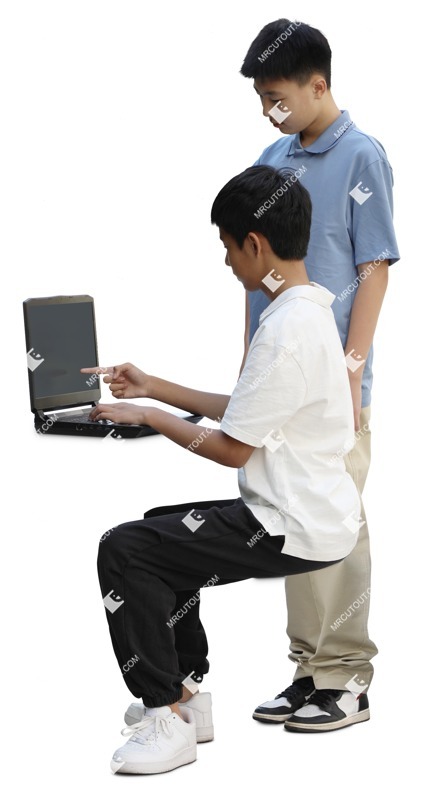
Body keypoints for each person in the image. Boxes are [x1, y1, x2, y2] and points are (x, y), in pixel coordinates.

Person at [81, 165, 361, 774]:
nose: (229, 263)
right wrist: (153, 385)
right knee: (163, 527)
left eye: (229, 248)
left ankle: (163, 713)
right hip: (308, 511)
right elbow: (247, 409)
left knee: (126, 550)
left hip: (288, 523)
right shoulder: (308, 313)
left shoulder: (284, 330)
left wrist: (148, 415)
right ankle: (186, 696)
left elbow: (232, 448)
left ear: (255, 245)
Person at [239, 18, 400, 731]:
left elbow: (373, 269)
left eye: (276, 95)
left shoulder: (361, 155)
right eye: (260, 99)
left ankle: (346, 678)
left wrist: (349, 371)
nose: (268, 111)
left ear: (317, 83)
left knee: (337, 527)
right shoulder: (272, 157)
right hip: (278, 382)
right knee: (290, 524)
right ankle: (308, 668)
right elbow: (256, 275)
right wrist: (248, 368)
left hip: (331, 387)